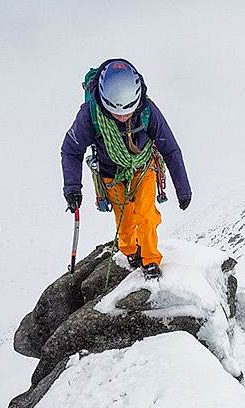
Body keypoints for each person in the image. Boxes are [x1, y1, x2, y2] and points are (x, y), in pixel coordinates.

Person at [61, 58, 192, 279]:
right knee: (125, 219)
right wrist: (72, 187)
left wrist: (183, 189)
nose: (122, 116)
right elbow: (71, 150)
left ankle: (150, 260)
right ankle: (130, 251)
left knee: (146, 214)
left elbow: (170, 149)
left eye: (127, 111)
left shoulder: (147, 110)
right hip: (110, 173)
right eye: (116, 112)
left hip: (143, 167)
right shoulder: (90, 115)